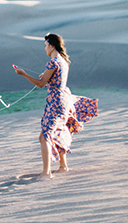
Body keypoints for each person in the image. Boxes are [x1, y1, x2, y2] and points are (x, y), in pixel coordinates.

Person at [14, 33, 98, 180]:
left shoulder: (53, 62)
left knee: (45, 136)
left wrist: (23, 74)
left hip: (56, 103)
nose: (45, 48)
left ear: (52, 45)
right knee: (54, 133)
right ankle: (63, 166)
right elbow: (52, 80)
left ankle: (46, 173)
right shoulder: (63, 61)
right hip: (62, 101)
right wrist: (46, 77)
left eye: (46, 45)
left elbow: (40, 84)